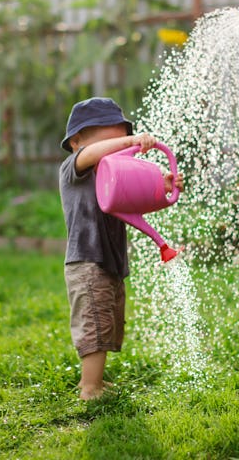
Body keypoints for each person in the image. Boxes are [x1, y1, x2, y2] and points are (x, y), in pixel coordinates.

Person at [59, 97, 184, 400]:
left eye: (122, 139)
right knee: (95, 323)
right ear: (77, 141)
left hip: (111, 261)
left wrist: (162, 186)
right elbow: (93, 154)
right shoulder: (74, 169)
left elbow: (137, 205)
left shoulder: (114, 177)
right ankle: (89, 387)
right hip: (87, 259)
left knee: (109, 320)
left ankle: (97, 381)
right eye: (111, 140)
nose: (119, 147)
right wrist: (128, 140)